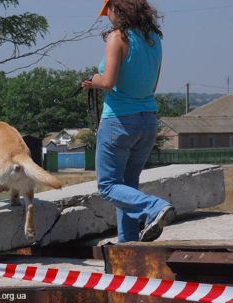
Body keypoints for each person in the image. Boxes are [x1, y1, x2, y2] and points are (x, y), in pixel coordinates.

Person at [82, 0, 175, 243]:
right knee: (128, 186)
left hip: (119, 122)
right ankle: (129, 246)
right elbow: (152, 86)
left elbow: (109, 82)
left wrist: (94, 80)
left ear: (118, 9)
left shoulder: (117, 38)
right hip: (147, 122)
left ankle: (154, 207)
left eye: (108, 11)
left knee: (108, 186)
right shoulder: (153, 39)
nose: (108, 16)